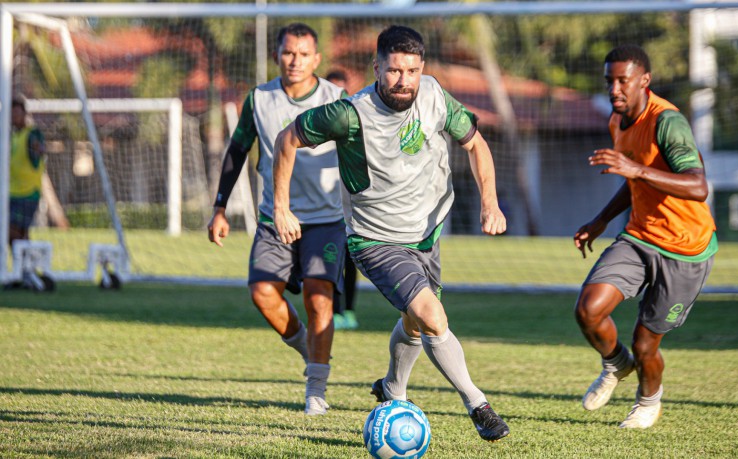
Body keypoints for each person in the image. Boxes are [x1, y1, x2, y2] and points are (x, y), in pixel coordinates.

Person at [272, 25, 511, 442]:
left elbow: (476, 145)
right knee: (433, 315)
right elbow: (286, 139)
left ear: (423, 69)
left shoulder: (435, 95)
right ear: (377, 67)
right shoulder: (349, 113)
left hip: (426, 234)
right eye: (395, 71)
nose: (404, 81)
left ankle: (392, 389)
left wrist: (490, 203)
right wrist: (280, 207)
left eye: (413, 71)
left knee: (415, 323)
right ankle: (479, 406)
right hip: (375, 239)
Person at [573, 45, 718, 429]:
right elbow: (635, 179)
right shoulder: (617, 122)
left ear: (644, 80)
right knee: (588, 310)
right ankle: (616, 364)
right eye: (609, 81)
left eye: (623, 80)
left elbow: (698, 185)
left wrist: (635, 170)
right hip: (639, 235)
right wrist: (601, 219)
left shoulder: (668, 122)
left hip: (686, 248)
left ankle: (649, 400)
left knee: (645, 343)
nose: (614, 89)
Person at [207, 23, 346, 416]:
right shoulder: (260, 99)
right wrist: (219, 208)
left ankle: (315, 390)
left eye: (304, 54)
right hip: (274, 215)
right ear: (276, 56)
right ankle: (308, 349)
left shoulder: (338, 98)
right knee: (262, 292)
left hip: (326, 218)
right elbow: (237, 150)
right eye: (288, 53)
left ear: (317, 59)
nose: (295, 61)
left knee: (319, 296)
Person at [324, 69, 360, 330]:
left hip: (351, 208)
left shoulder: (355, 123)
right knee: (330, 262)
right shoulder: (316, 124)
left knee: (351, 261)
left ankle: (348, 311)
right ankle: (334, 311)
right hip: (325, 210)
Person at [8, 95, 46, 247]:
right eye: (12, 114)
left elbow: (40, 148)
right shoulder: (13, 135)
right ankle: (26, 266)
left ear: (24, 114)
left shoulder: (33, 133)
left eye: (17, 113)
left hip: (29, 192)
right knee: (20, 234)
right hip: (13, 191)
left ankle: (26, 263)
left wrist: (39, 149)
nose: (14, 117)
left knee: (12, 231)